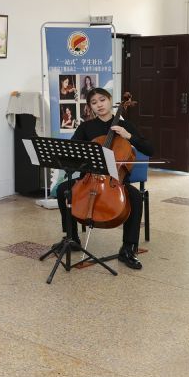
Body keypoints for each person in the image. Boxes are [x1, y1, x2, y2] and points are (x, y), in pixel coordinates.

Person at [55, 88, 153, 269]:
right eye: (94, 102)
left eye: (102, 100)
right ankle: (72, 238)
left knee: (135, 197)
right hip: (89, 178)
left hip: (115, 181)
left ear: (110, 100)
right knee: (63, 190)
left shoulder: (126, 126)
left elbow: (149, 149)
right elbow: (72, 151)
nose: (99, 105)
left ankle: (128, 248)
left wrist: (128, 136)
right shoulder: (86, 127)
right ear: (90, 107)